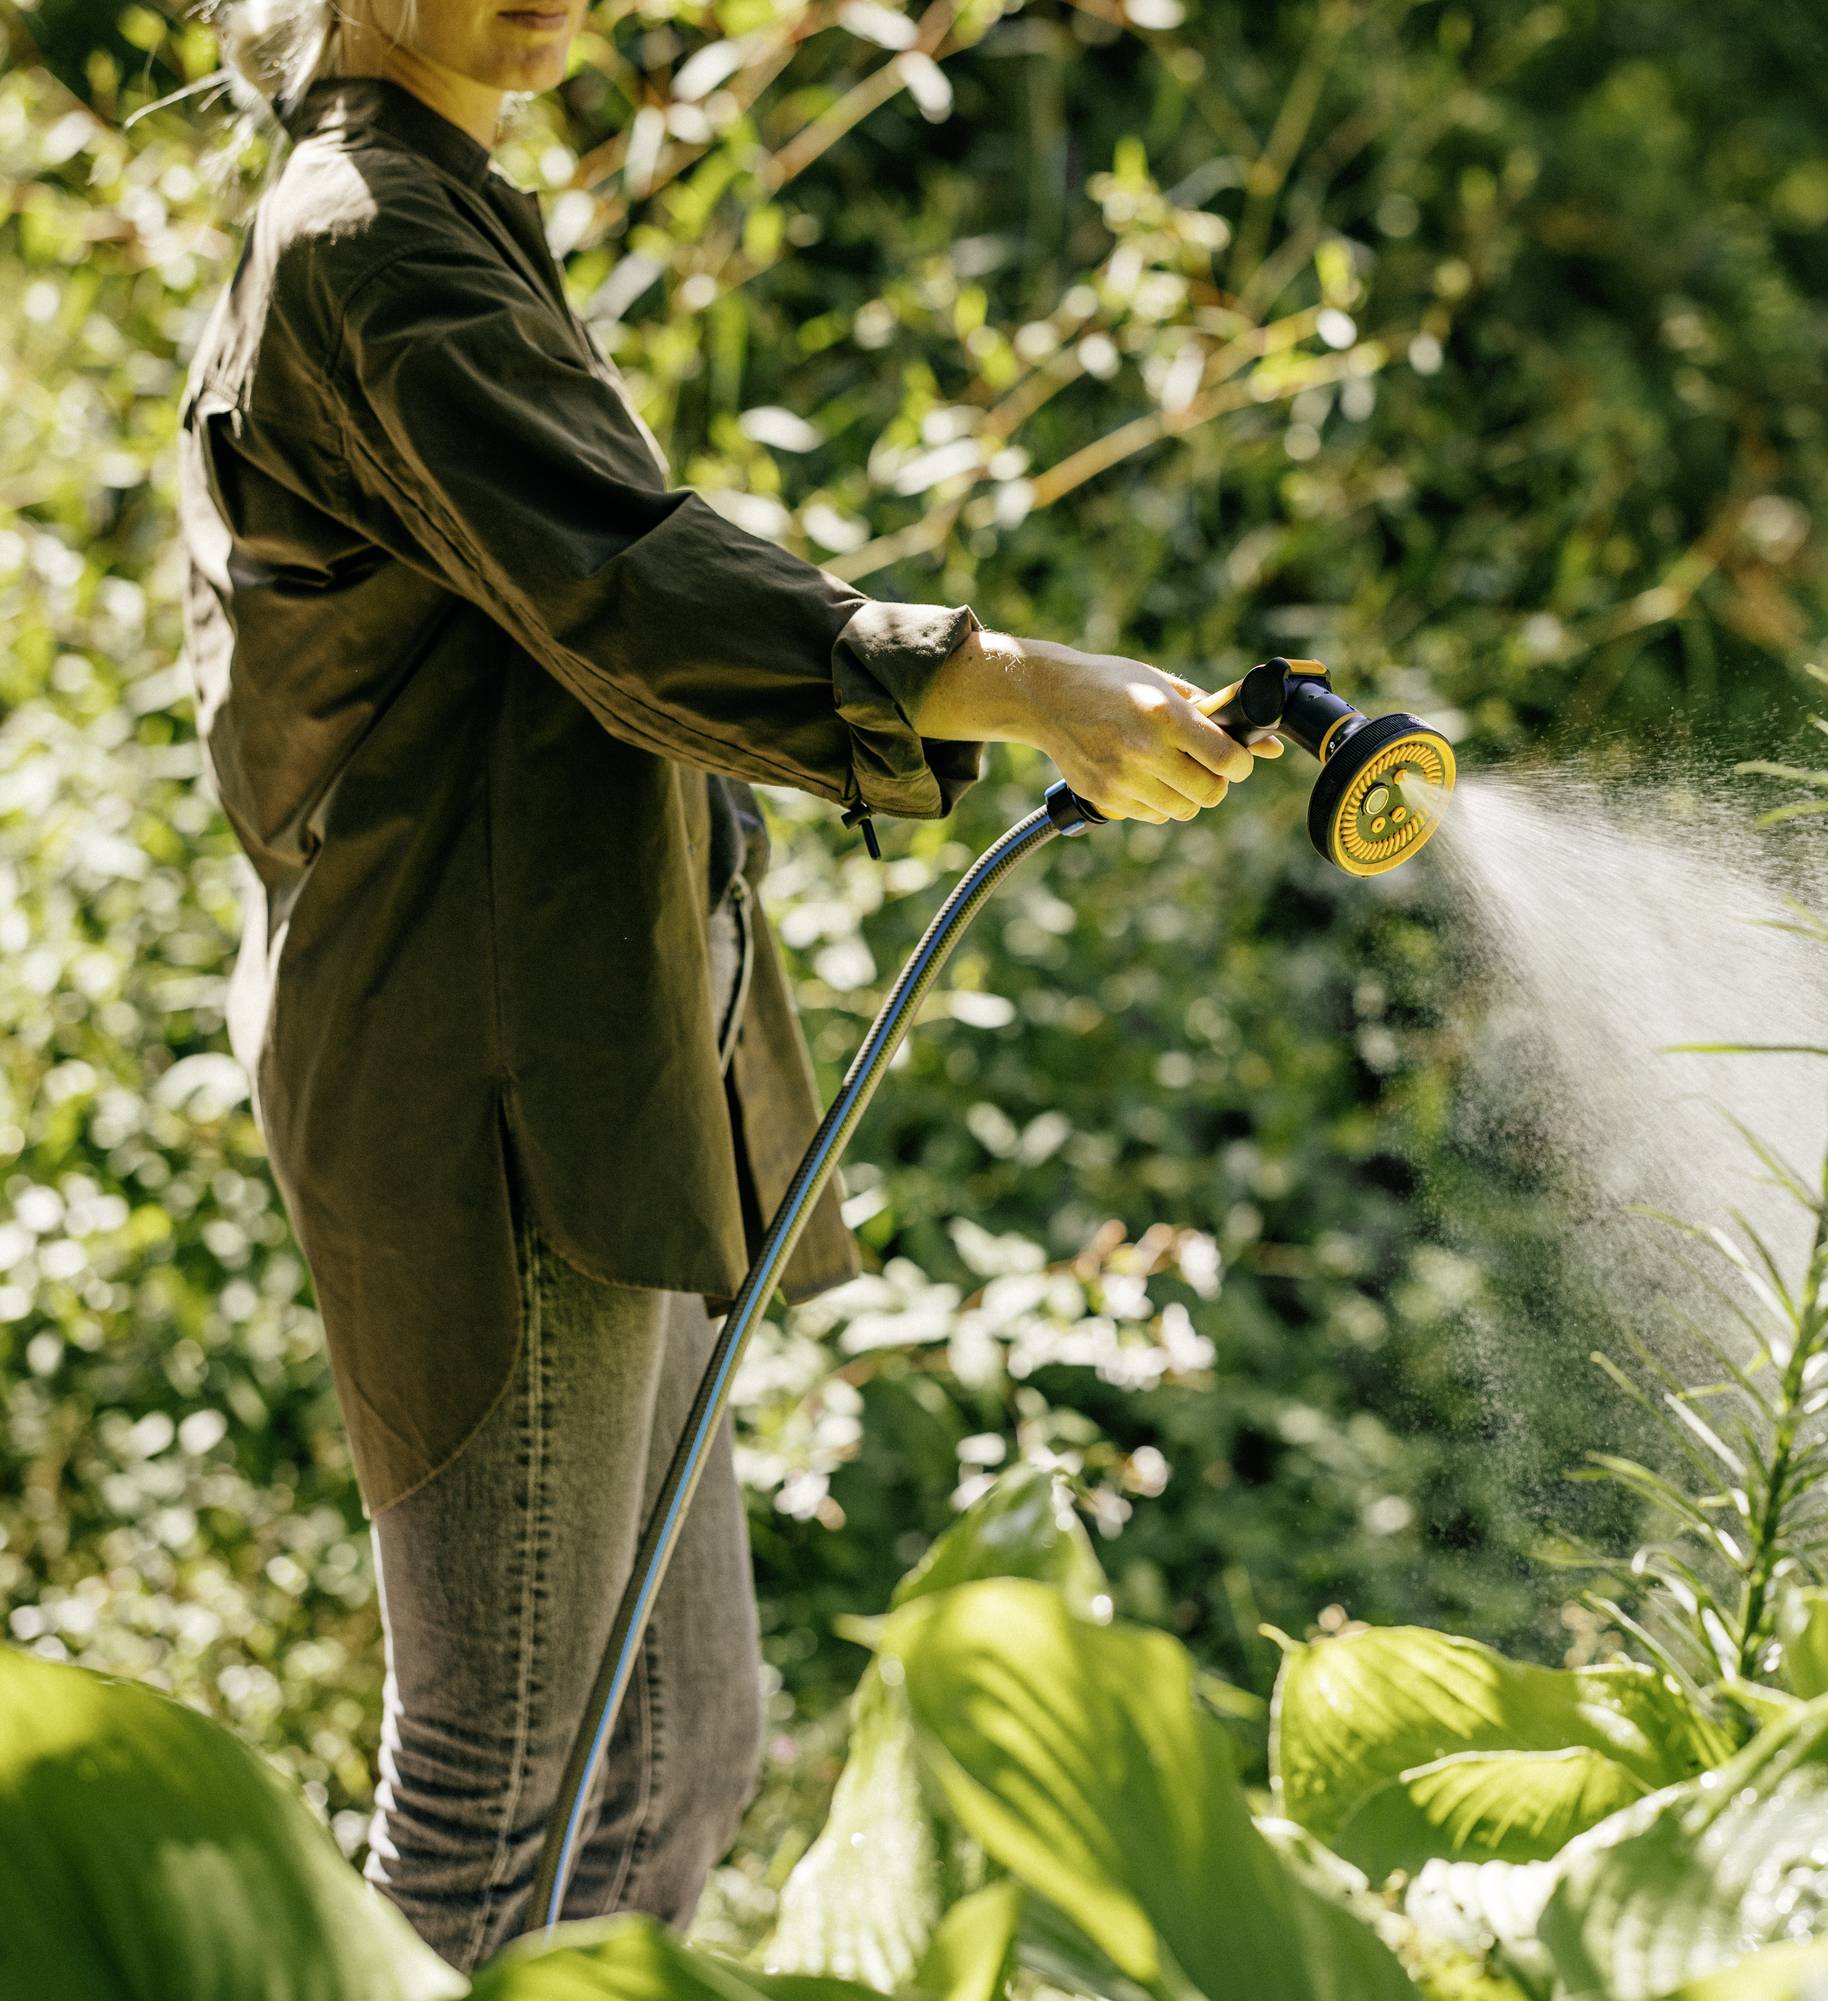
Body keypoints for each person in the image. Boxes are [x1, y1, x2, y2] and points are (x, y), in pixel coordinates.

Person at [176, 0, 1274, 1966]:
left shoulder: (439, 200)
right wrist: (1016, 678)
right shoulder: (369, 240)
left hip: (594, 1054)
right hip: (484, 1079)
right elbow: (635, 592)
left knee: (673, 1746)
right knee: (509, 1766)